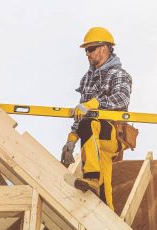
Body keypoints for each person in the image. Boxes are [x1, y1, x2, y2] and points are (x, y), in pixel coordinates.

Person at [61, 27, 132, 212]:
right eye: (86, 50)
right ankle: (111, 225)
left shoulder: (119, 74)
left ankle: (91, 176)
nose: (88, 54)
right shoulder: (87, 79)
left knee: (89, 121)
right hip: (93, 141)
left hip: (111, 135)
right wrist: (71, 140)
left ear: (105, 48)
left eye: (91, 49)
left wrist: (93, 104)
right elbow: (80, 112)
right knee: (103, 189)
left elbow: (122, 99)